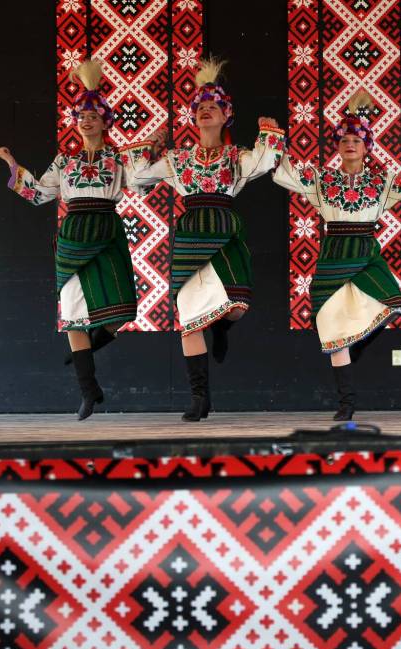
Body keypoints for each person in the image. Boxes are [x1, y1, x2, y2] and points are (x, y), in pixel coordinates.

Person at [273, 90, 401, 420]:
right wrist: (274, 143)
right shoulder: (323, 179)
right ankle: (346, 403)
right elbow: (288, 175)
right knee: (335, 330)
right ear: (337, 145)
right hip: (334, 253)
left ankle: (357, 345)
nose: (350, 144)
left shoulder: (381, 181)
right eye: (344, 139)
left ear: (367, 146)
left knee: (393, 302)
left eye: (356, 139)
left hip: (365, 251)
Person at [0, 59, 154, 419]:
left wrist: (151, 151)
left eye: (93, 116)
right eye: (81, 115)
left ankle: (89, 349)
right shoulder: (63, 162)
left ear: (105, 122)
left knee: (121, 311)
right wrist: (12, 165)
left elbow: (142, 184)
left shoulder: (118, 159)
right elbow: (38, 195)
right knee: (72, 313)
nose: (86, 120)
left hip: (106, 229)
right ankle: (88, 390)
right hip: (73, 233)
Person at [131, 58, 284, 420]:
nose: (205, 112)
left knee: (236, 306)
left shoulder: (236, 155)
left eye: (212, 107)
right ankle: (199, 398)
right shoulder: (178, 159)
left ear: (226, 115)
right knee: (190, 318)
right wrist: (153, 143)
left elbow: (265, 162)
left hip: (225, 227)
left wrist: (268, 133)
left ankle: (223, 329)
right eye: (199, 108)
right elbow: (137, 176)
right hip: (190, 233)